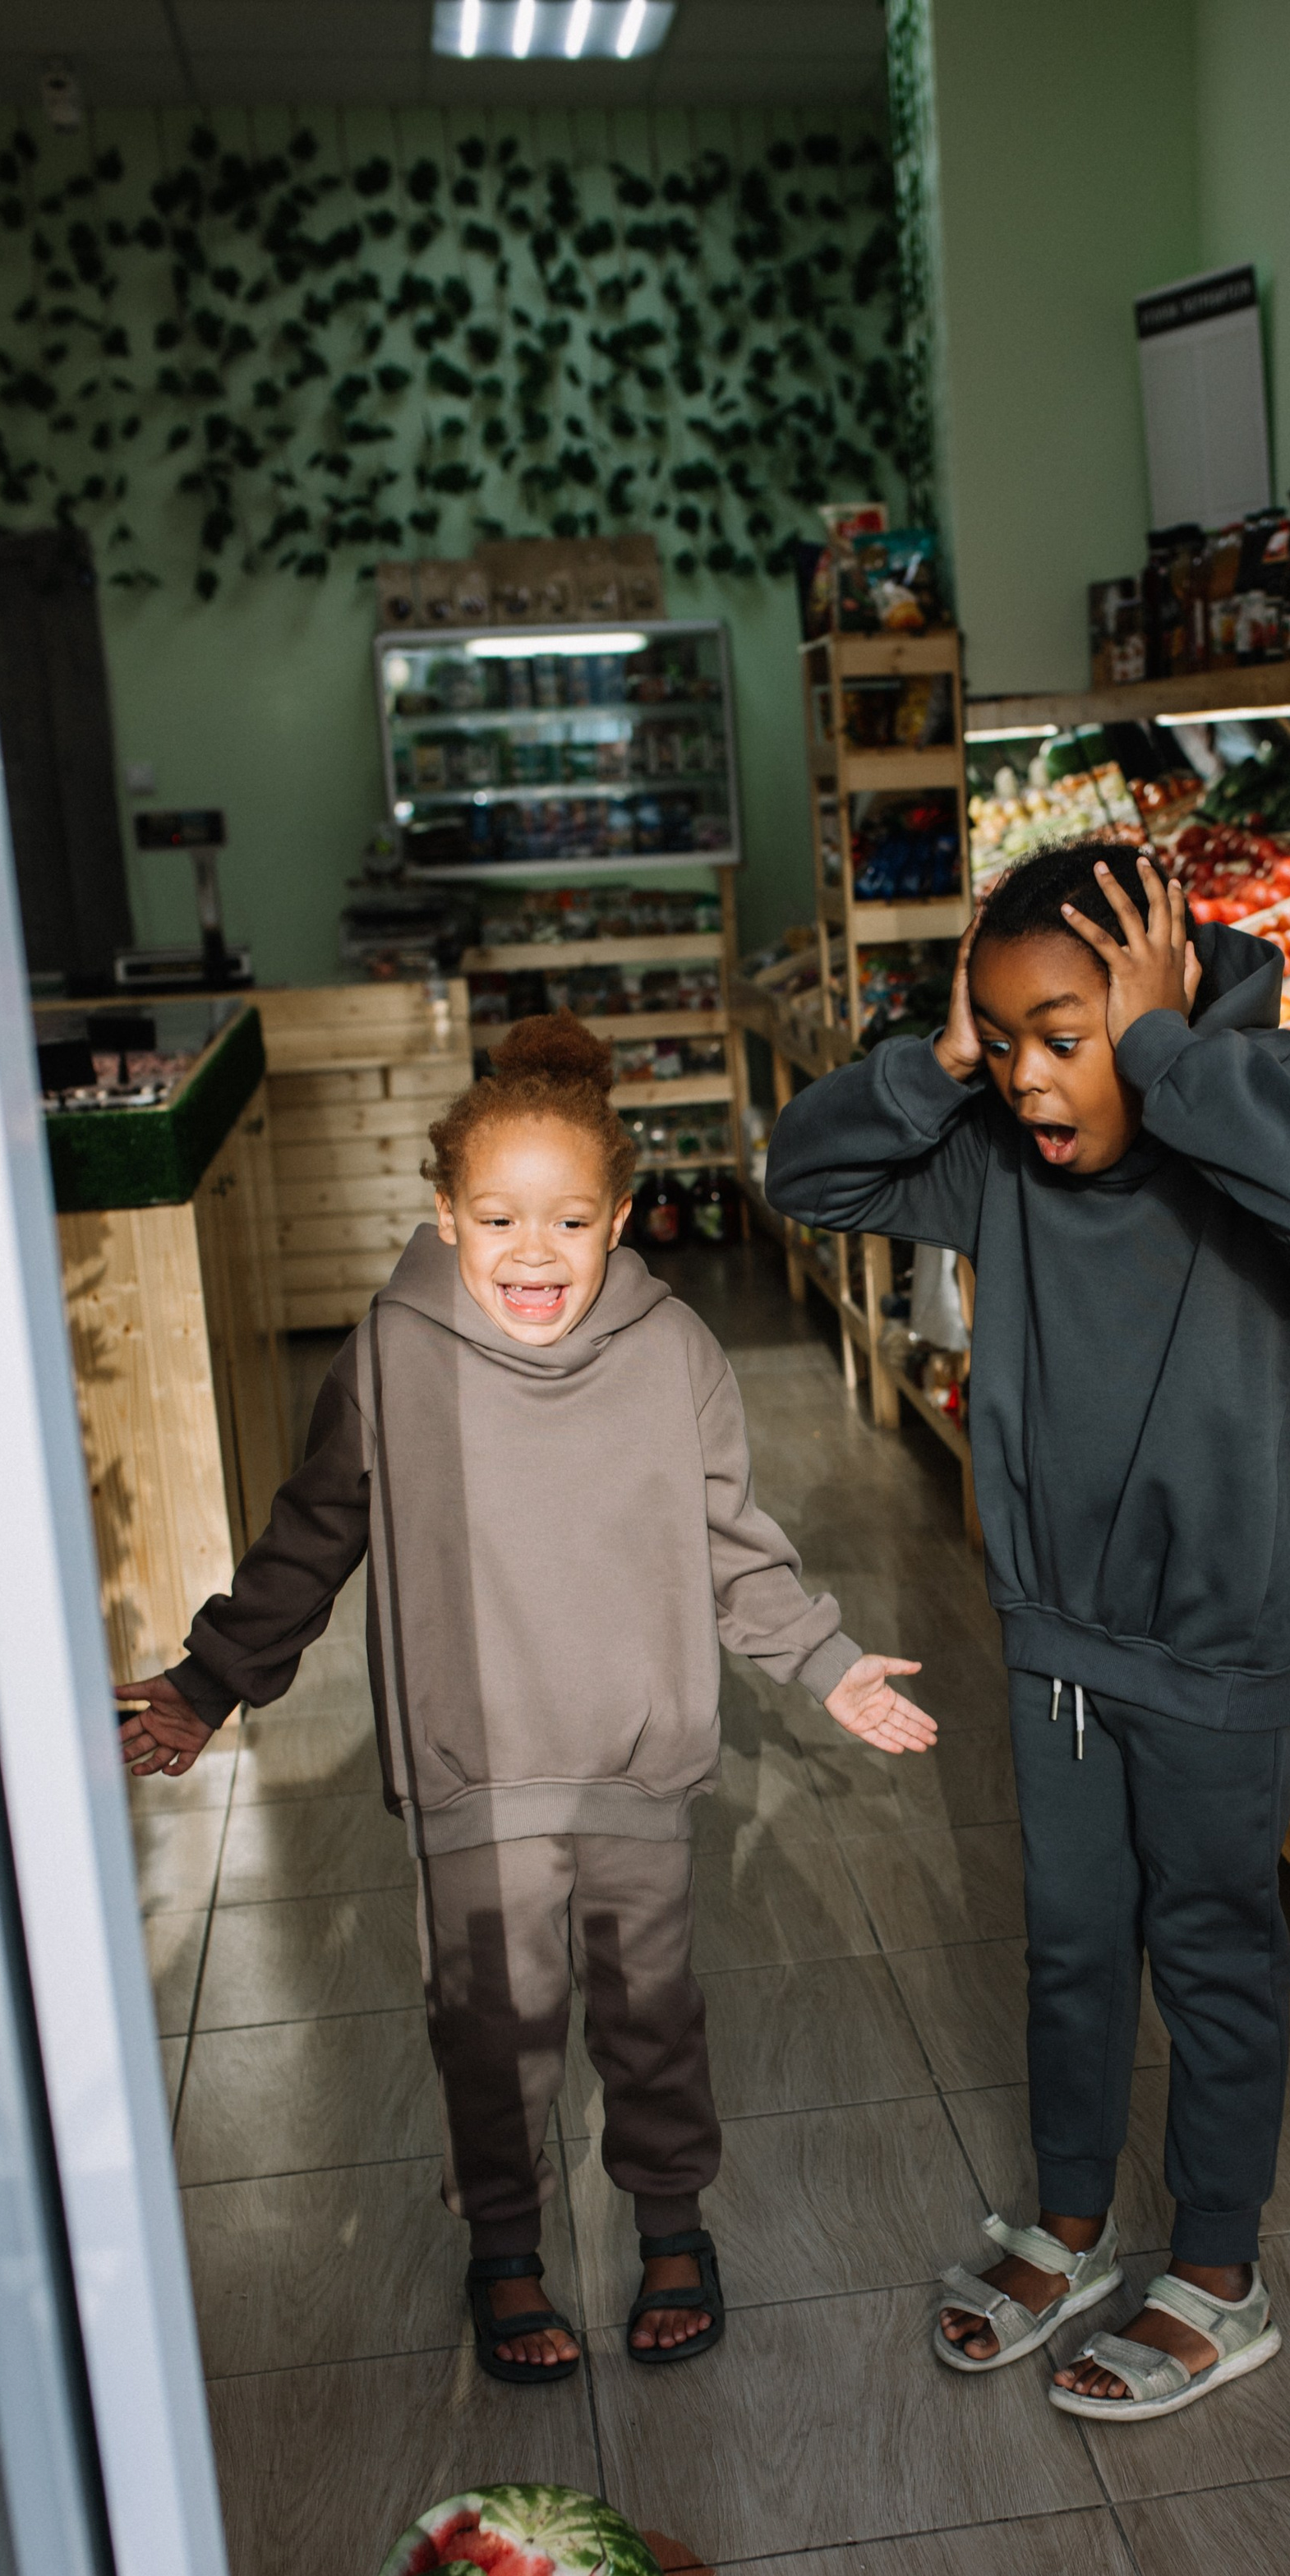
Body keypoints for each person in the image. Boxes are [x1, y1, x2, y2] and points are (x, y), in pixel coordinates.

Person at [116, 1015, 935, 2385]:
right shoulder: (393, 1355)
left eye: (568, 1220)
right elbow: (312, 1536)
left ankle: (670, 2223)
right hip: (473, 1768)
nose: (534, 1252)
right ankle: (504, 2245)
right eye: (498, 1219)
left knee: (652, 2013)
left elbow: (734, 1543)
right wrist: (210, 1683)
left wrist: (828, 1660)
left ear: (622, 1218)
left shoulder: (676, 1356)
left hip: (636, 1763)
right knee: (491, 2028)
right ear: (445, 1216)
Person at [765, 846, 1290, 2420]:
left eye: (1066, 1036)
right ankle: (1069, 2225)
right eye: (1003, 1038)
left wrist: (1173, 1051)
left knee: (1213, 1949)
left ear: (1164, 1001)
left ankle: (1223, 2271)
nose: (1034, 1084)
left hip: (1220, 1642)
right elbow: (807, 1174)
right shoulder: (997, 1150)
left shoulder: (1259, 1119)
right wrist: (943, 1062)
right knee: (1069, 1946)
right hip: (1059, 1636)